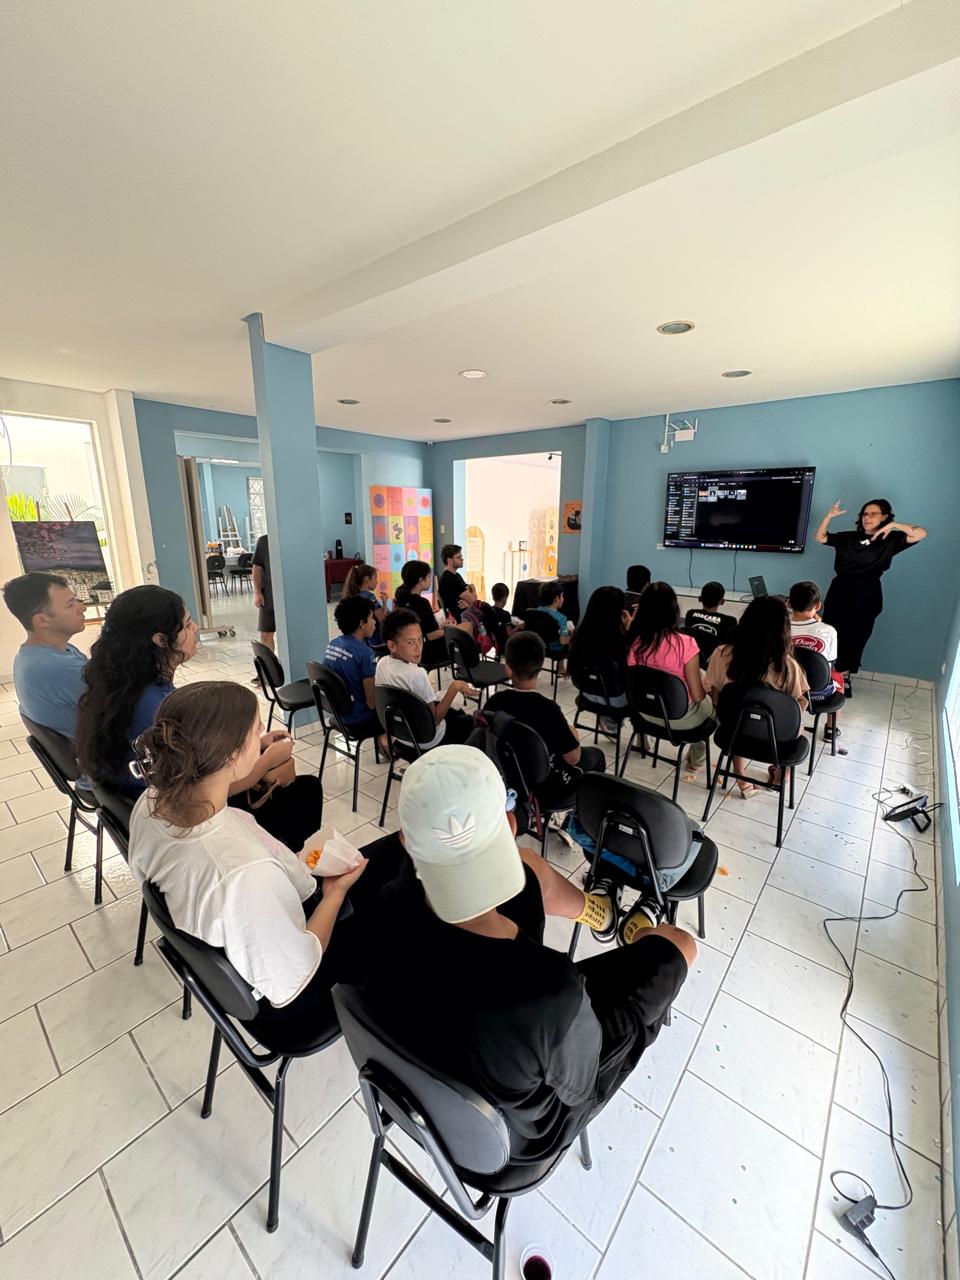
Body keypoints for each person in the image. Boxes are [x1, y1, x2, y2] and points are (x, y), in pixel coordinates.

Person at [360, 746, 695, 1164]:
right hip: (519, 1141)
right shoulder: (553, 989)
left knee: (529, 869)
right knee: (680, 944)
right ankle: (629, 924)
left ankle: (601, 913)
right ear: (509, 822)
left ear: (407, 842)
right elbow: (581, 1083)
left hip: (443, 1068)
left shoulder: (390, 901)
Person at [128, 682, 407, 1050]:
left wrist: (255, 751)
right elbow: (293, 974)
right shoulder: (243, 872)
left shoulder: (152, 801)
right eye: (255, 731)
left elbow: (213, 788)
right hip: (293, 1006)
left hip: (244, 937)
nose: (262, 734)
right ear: (228, 757)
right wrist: (335, 895)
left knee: (394, 848)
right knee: (400, 902)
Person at [75, 585, 320, 849]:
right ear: (160, 640)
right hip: (184, 825)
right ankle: (297, 876)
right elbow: (208, 791)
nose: (195, 630)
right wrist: (266, 760)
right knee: (305, 792)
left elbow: (196, 756)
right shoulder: (158, 709)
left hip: (151, 810)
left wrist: (256, 745)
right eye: (187, 624)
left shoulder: (120, 689)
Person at [816, 498, 927, 694]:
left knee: (856, 637)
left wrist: (893, 526)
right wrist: (828, 517)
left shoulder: (890, 540)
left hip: (867, 592)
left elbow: (921, 533)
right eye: (865, 514)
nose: (867, 517)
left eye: (873, 514)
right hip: (841, 589)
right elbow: (821, 538)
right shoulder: (847, 538)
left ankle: (844, 678)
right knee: (832, 634)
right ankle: (827, 677)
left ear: (884, 516)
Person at [485, 631, 605, 809]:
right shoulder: (548, 709)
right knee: (597, 757)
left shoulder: (495, 701)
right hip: (543, 790)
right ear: (541, 665)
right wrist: (573, 734)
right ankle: (574, 823)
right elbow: (573, 757)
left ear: (508, 669)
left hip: (507, 779)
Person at [704, 595, 809, 796]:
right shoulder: (787, 665)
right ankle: (781, 775)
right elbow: (798, 704)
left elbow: (715, 694)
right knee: (795, 720)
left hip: (733, 733)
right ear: (783, 628)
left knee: (738, 712)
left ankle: (741, 779)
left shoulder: (722, 653)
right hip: (776, 741)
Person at [626, 582, 714, 775]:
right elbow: (698, 697)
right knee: (712, 707)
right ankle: (695, 761)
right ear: (674, 609)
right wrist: (707, 688)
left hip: (644, 714)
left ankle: (643, 743)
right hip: (680, 720)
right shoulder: (686, 643)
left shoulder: (634, 641)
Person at [374, 608, 477, 747]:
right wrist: (455, 686)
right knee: (470, 722)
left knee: (455, 713)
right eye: (410, 642)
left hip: (401, 734)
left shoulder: (382, 663)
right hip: (427, 739)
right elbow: (435, 720)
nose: (418, 647)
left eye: (420, 639)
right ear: (392, 645)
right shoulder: (417, 674)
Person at [3, 572, 88, 737]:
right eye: (70, 605)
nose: (82, 608)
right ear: (42, 620)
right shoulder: (57, 668)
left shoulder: (34, 655)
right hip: (108, 755)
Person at [567, 586, 632, 728]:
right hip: (615, 699)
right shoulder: (619, 641)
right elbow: (627, 674)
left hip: (586, 692)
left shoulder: (579, 635)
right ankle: (613, 721)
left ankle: (609, 719)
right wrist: (629, 631)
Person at [788, 581, 843, 740]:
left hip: (785, 689)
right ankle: (831, 729)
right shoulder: (828, 631)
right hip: (817, 693)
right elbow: (830, 664)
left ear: (789, 603)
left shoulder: (780, 627)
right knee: (838, 678)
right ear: (818, 606)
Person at [322, 595, 380, 736]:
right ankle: (387, 744)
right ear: (362, 623)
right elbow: (371, 703)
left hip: (338, 712)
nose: (375, 623)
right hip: (359, 718)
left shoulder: (332, 644)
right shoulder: (365, 653)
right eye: (372, 618)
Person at [394, 559, 467, 668]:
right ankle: (468, 668)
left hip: (407, 649)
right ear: (421, 580)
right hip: (427, 652)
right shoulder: (422, 603)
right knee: (466, 627)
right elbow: (431, 635)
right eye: (428, 577)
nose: (430, 580)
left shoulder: (401, 599)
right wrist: (449, 628)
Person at [684, 581, 737, 667]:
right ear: (722, 601)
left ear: (700, 598)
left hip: (689, 661)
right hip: (712, 665)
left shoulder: (690, 614)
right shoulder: (730, 622)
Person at [342, 563, 387, 648]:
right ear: (367, 579)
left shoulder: (353, 595)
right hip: (376, 640)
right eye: (375, 578)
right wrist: (384, 601)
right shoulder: (369, 597)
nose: (377, 582)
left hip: (363, 640)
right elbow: (382, 618)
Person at [437, 543, 477, 623]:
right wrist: (473, 588)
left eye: (461, 557)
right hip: (460, 619)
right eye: (458, 557)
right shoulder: (450, 579)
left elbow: (468, 592)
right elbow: (474, 600)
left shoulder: (455, 575)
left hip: (464, 614)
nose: (462, 559)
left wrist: (468, 601)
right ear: (449, 560)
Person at [251, 534, 275, 653]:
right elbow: (257, 568)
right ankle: (270, 668)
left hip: (292, 596)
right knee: (265, 634)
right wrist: (257, 592)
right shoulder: (264, 541)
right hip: (269, 595)